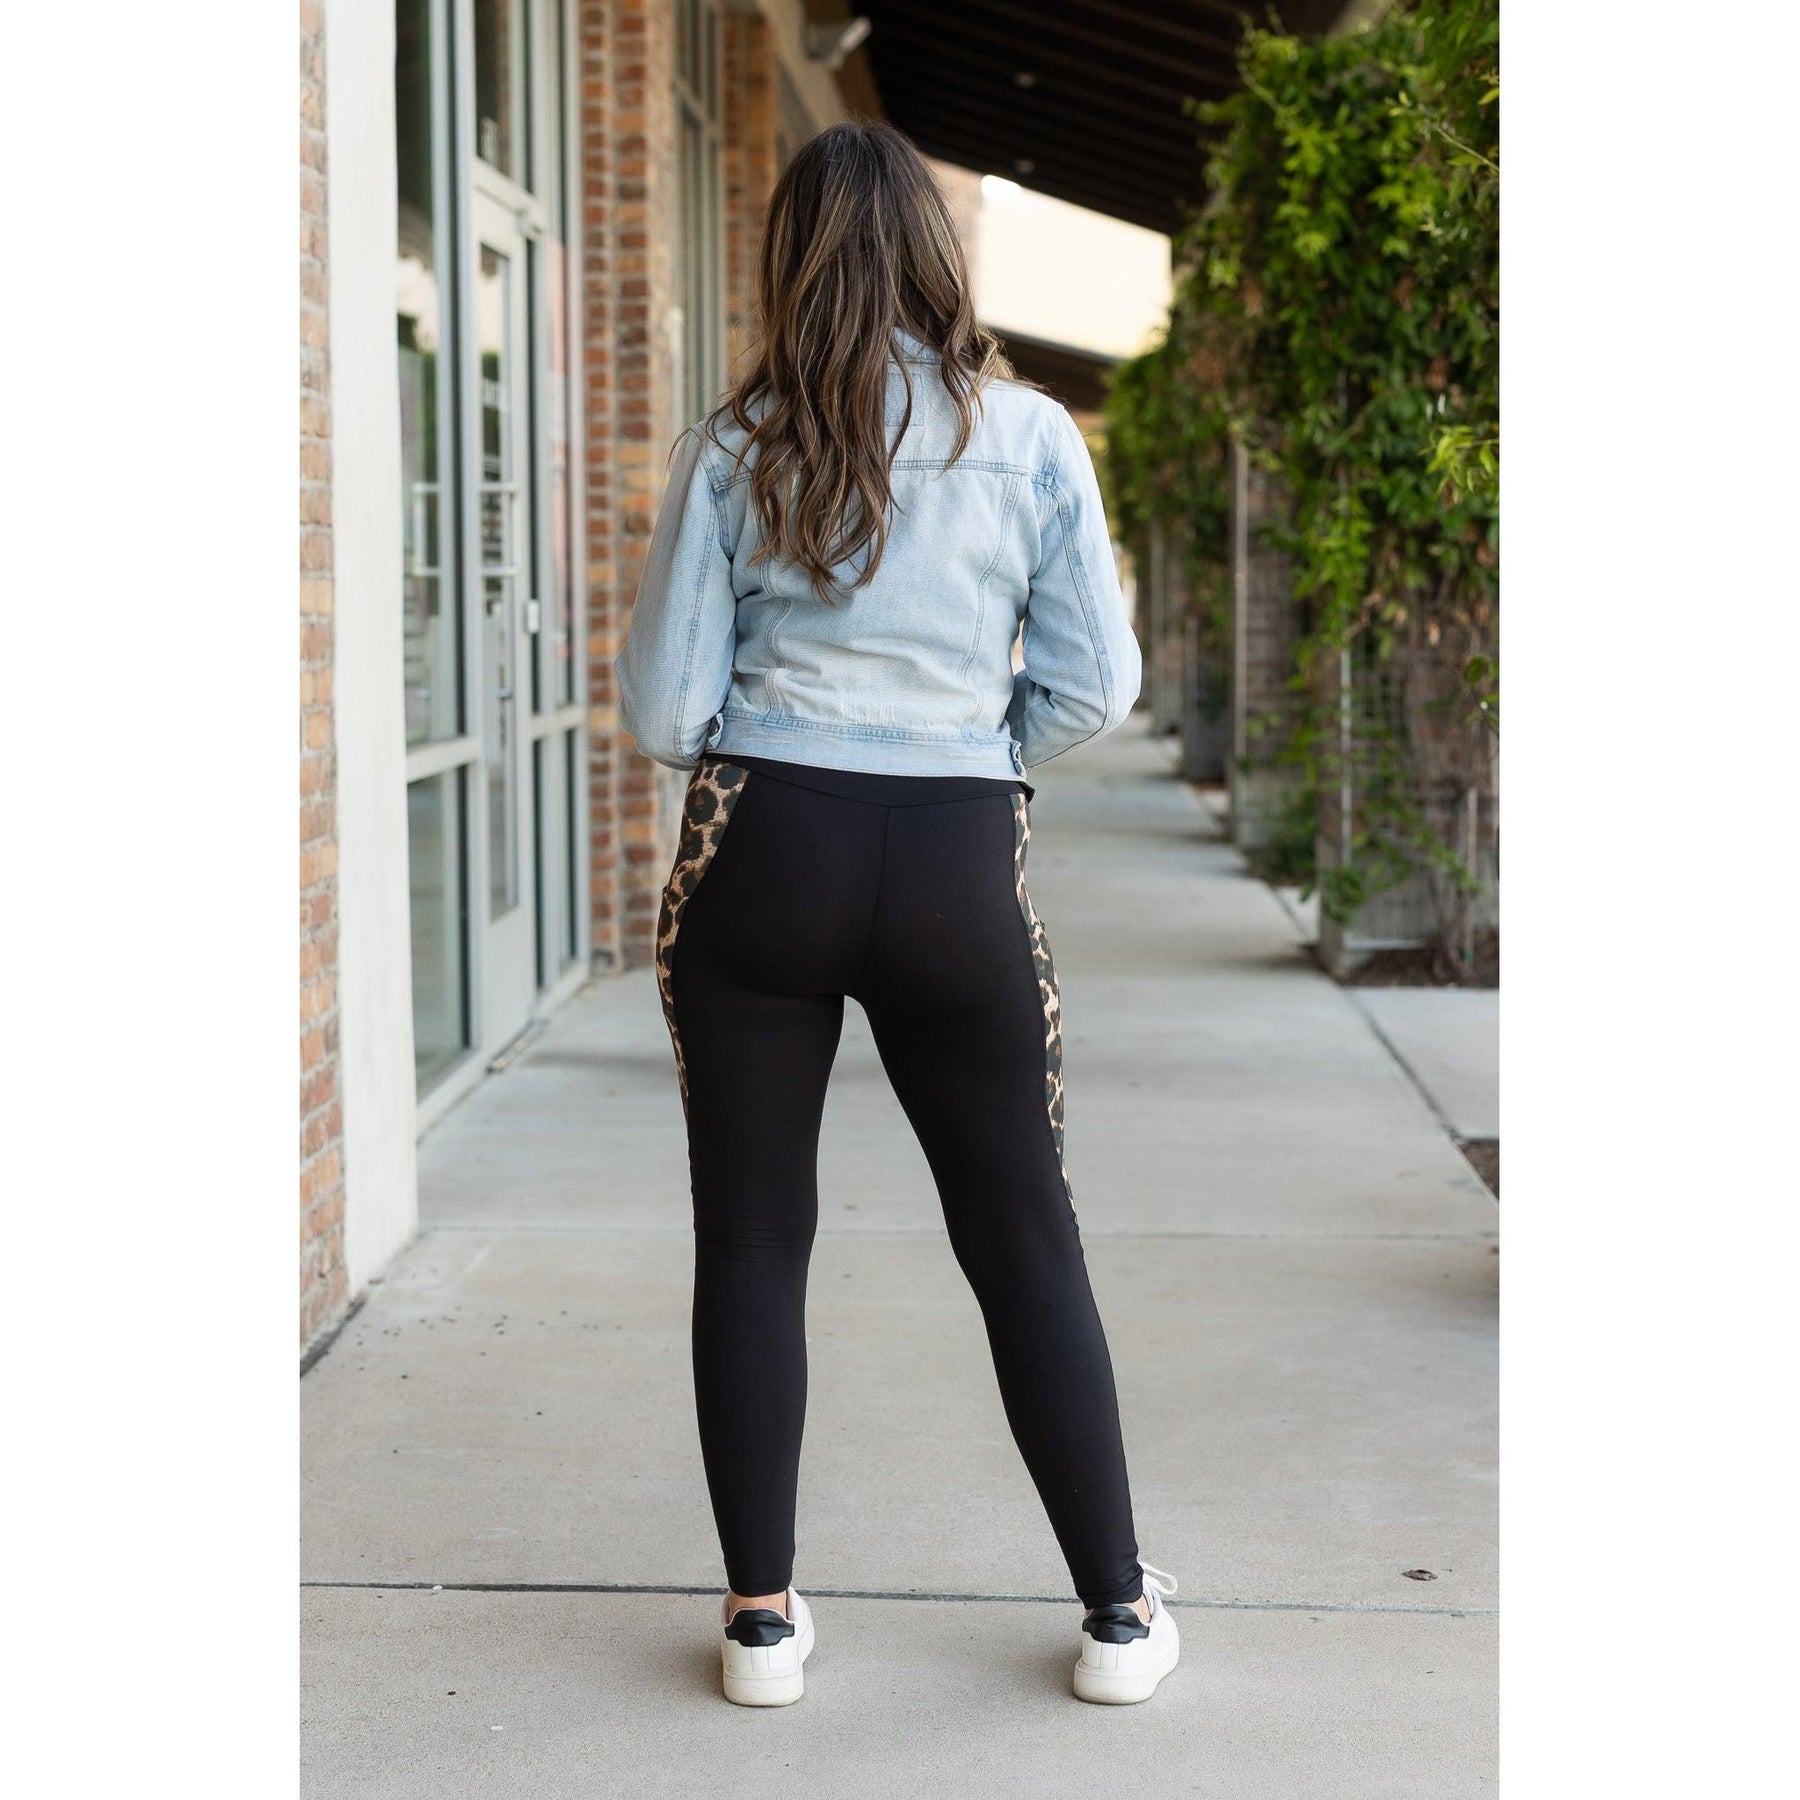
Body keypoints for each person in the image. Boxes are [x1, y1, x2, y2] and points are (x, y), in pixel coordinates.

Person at [616, 120, 1176, 1708]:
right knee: (1021, 1231)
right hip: (954, 856)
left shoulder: (735, 445)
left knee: (752, 1235)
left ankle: (761, 1624)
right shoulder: (1034, 436)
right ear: (935, 258)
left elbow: (664, 709)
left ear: (788, 262)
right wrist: (975, 753)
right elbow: (1099, 685)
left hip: (762, 847)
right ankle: (1117, 1614)